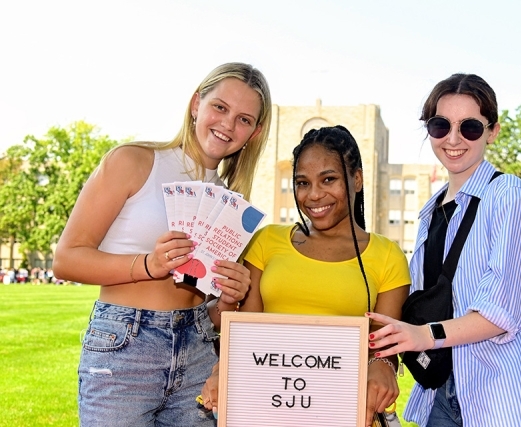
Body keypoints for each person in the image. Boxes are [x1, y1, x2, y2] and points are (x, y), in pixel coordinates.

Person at [52, 62, 272, 426]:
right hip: (125, 346)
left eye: (244, 119)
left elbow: (211, 312)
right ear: (196, 104)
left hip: (199, 348)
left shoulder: (233, 203)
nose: (228, 125)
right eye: (220, 107)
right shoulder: (134, 161)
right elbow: (66, 259)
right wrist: (148, 265)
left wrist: (231, 297)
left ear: (255, 132)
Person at [367, 73, 521, 427]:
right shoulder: (431, 211)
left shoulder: (510, 196)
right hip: (445, 393)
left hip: (509, 397)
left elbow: (501, 312)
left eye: (470, 127)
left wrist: (423, 334)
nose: (453, 139)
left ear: (492, 131)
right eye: (440, 125)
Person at [199, 125, 411, 427]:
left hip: (340, 410)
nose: (313, 195)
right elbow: (246, 330)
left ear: (358, 179)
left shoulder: (387, 255)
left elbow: (384, 348)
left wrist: (382, 367)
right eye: (302, 182)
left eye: (328, 179)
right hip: (264, 406)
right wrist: (224, 369)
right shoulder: (266, 241)